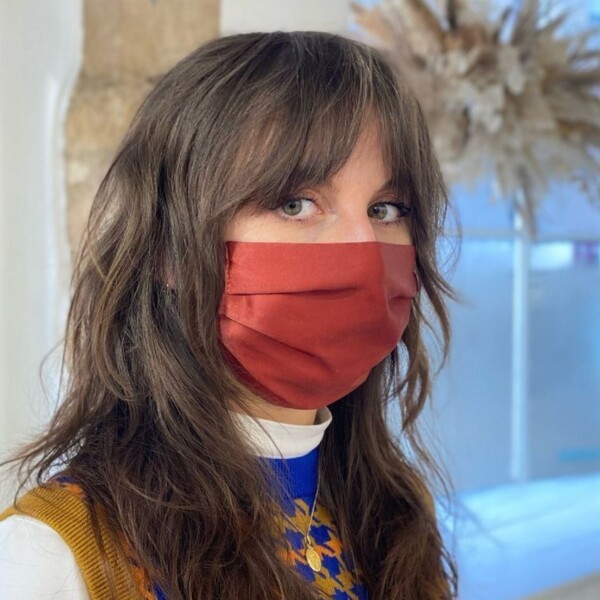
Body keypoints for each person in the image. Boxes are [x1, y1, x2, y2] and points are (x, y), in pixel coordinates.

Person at [0, 31, 457, 599]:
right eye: (295, 204)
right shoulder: (53, 556)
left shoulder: (395, 514)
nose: (362, 249)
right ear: (169, 248)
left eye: (387, 209)